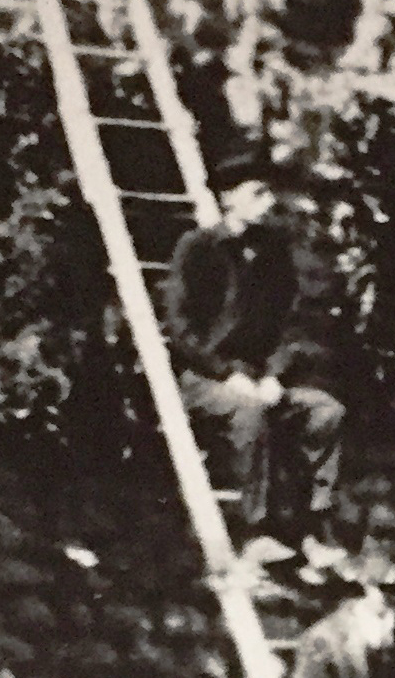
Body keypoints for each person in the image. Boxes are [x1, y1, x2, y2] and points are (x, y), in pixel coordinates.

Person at [163, 159, 346, 549]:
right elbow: (180, 329)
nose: (269, 202)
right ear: (228, 198)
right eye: (257, 193)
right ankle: (257, 532)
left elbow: (288, 324)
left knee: (324, 411)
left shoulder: (274, 254)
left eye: (270, 193)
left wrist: (273, 375)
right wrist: (227, 374)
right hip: (203, 378)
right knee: (251, 413)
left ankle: (312, 526)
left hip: (259, 377)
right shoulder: (198, 248)